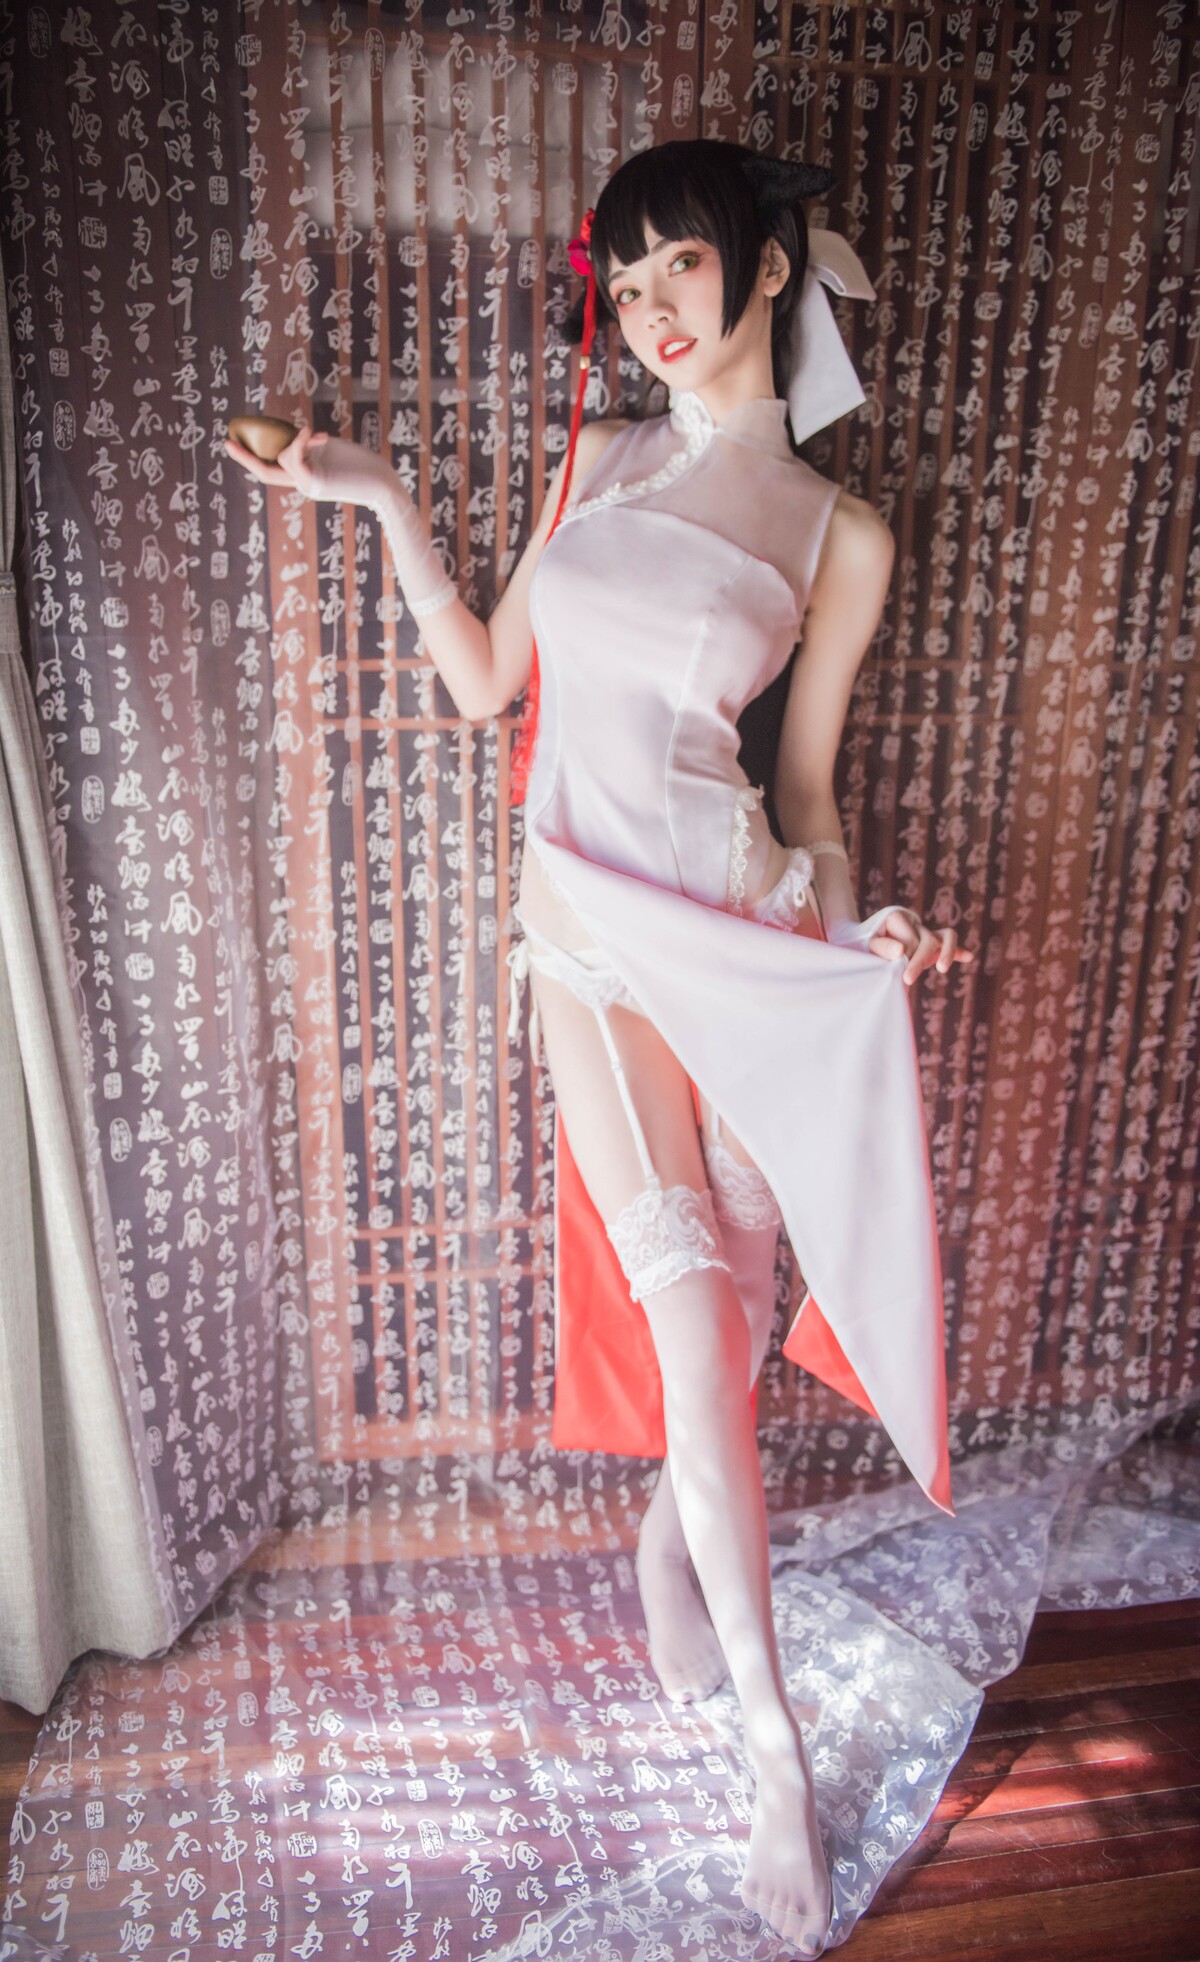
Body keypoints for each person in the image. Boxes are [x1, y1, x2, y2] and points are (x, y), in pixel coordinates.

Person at [227, 138, 973, 1957]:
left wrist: (852, 935)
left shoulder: (841, 533)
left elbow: (805, 792)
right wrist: (377, 494)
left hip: (750, 940)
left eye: (676, 269)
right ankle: (775, 1748)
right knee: (692, 1325)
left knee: (738, 1317)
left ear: (764, 269)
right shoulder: (602, 461)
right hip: (585, 939)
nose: (646, 312)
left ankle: (668, 1537)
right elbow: (490, 682)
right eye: (621, 284)